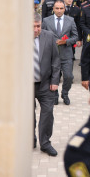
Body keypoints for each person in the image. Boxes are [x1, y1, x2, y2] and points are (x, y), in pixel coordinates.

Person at [33, 12, 60, 156]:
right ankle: (30, 139)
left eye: (38, 26)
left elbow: (56, 60)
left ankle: (45, 143)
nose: (36, 29)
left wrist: (55, 81)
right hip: (26, 86)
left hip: (46, 84)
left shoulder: (48, 36)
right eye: (33, 26)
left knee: (48, 113)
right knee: (27, 115)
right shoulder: (18, 38)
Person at [42, 0, 78, 105]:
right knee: (53, 77)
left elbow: (75, 36)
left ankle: (65, 93)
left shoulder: (70, 20)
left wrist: (66, 41)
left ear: (64, 9)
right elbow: (42, 35)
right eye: (56, 8)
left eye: (61, 8)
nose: (59, 11)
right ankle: (55, 95)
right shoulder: (46, 20)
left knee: (68, 76)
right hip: (51, 55)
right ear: (53, 9)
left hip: (66, 54)